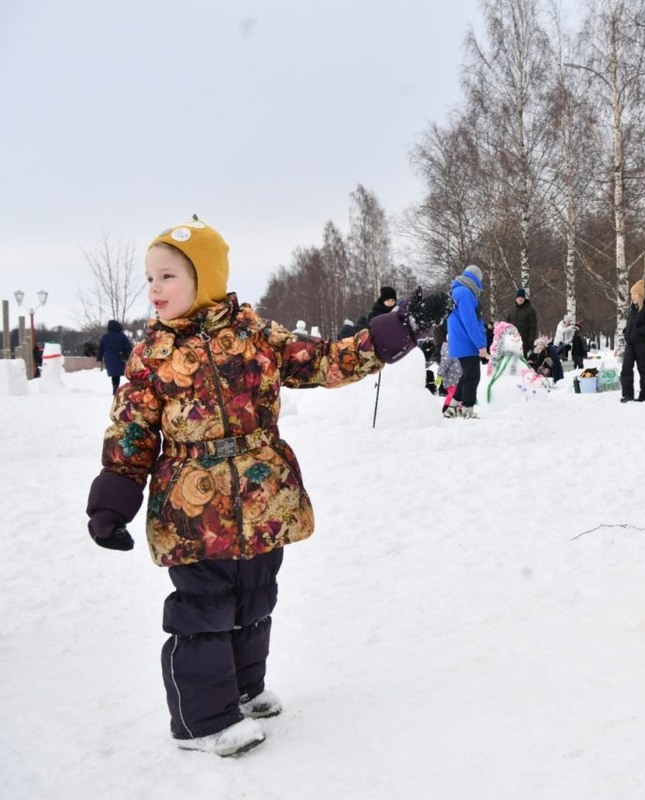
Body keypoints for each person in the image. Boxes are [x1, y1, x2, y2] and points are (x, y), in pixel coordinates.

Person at [83, 217, 448, 757]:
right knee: (203, 607)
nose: (154, 290)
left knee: (254, 595)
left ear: (204, 278)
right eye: (150, 279)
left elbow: (327, 361)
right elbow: (130, 432)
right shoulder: (151, 357)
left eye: (166, 277)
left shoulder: (256, 337)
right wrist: (111, 504)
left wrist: (396, 328)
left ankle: (244, 689)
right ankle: (203, 721)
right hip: (191, 504)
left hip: (260, 494)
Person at [446, 265, 488, 418]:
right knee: (473, 376)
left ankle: (453, 406)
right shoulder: (464, 293)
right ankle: (468, 409)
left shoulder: (458, 291)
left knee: (466, 375)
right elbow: (470, 321)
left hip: (460, 340)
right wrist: (480, 344)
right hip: (466, 341)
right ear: (475, 278)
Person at [620, 280, 645, 403]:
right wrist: (626, 331)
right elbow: (631, 324)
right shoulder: (632, 309)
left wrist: (638, 331)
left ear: (640, 295)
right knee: (626, 368)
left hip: (642, 344)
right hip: (630, 343)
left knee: (643, 369)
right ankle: (627, 394)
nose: (632, 296)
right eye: (631, 294)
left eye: (634, 294)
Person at [96, 319, 134, 395]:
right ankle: (127, 388)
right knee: (122, 372)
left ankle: (115, 389)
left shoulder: (105, 337)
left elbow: (101, 348)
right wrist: (132, 354)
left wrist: (99, 358)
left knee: (115, 375)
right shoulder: (121, 336)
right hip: (119, 357)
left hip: (109, 358)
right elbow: (128, 347)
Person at [505, 288, 538, 359]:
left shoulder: (530, 310)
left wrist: (530, 342)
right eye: (518, 297)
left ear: (524, 298)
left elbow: (533, 328)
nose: (520, 299)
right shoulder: (511, 310)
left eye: (521, 297)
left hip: (524, 342)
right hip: (512, 341)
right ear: (516, 298)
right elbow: (506, 325)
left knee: (522, 362)